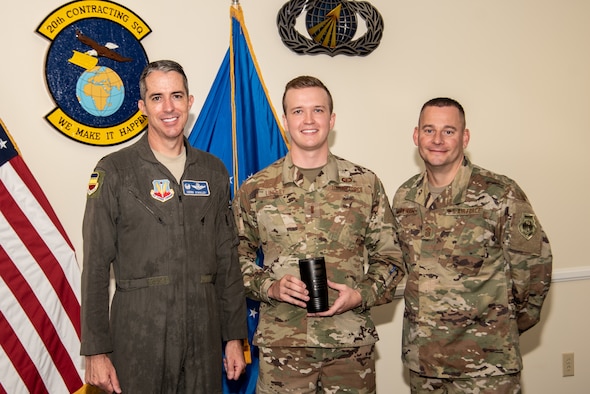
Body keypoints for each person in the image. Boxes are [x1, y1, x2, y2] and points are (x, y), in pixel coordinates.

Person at [80, 60, 247, 393]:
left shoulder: (213, 171)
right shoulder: (115, 171)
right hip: (139, 333)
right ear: (143, 107)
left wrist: (234, 337)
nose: (168, 107)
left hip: (204, 333)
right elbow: (96, 267)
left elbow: (228, 261)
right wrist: (96, 351)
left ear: (190, 101)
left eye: (177, 96)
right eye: (157, 98)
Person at [232, 75, 404, 393]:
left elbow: (391, 257)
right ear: (285, 121)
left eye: (318, 110)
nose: (308, 120)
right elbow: (232, 257)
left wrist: (360, 294)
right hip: (284, 347)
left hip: (350, 347)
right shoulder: (257, 189)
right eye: (298, 111)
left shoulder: (365, 183)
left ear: (331, 119)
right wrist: (269, 286)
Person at [392, 97, 552, 393]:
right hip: (424, 364)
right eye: (429, 130)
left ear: (464, 137)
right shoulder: (405, 197)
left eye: (449, 131)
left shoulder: (499, 194)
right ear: (416, 136)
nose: (437, 140)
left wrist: (499, 329)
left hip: (486, 366)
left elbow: (534, 270)